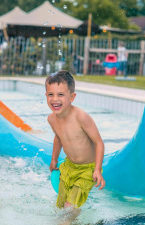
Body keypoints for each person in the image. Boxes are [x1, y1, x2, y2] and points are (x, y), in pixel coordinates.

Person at [45, 70, 105, 209]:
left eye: (60, 94)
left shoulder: (81, 117)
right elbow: (58, 138)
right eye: (50, 94)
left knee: (70, 205)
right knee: (60, 205)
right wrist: (54, 159)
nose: (55, 99)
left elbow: (99, 143)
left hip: (87, 169)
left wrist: (97, 169)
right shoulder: (52, 119)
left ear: (72, 97)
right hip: (69, 167)